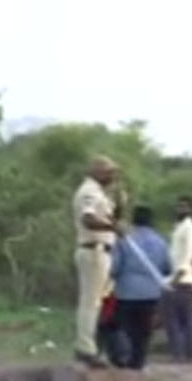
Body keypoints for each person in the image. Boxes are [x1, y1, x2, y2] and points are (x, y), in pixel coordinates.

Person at [71, 156, 120, 368]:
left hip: (102, 250)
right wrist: (112, 227)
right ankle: (85, 348)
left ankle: (91, 344)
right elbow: (88, 219)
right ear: (98, 172)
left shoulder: (100, 193)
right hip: (94, 250)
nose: (112, 176)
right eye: (109, 172)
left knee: (97, 302)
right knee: (90, 302)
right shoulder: (89, 192)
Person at [110, 206, 173, 370]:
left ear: (134, 220)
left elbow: (115, 267)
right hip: (151, 293)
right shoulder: (161, 242)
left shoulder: (124, 241)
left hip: (126, 292)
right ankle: (138, 363)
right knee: (143, 330)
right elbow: (167, 268)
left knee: (124, 327)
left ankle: (123, 358)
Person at [164, 196, 192, 362]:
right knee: (175, 321)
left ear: (191, 210)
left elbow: (188, 254)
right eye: (179, 206)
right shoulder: (178, 227)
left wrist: (178, 275)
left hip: (183, 280)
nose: (181, 209)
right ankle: (178, 354)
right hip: (174, 278)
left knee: (184, 320)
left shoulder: (189, 228)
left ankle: (187, 354)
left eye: (185, 207)